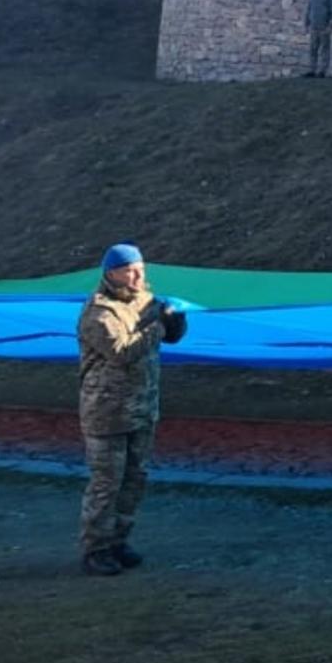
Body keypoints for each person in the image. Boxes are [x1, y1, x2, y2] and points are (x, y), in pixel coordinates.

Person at [75, 244, 187, 577]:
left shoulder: (145, 301)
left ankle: (118, 541)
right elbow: (122, 351)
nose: (138, 276)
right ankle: (95, 548)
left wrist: (175, 320)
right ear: (112, 274)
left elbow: (172, 339)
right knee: (106, 484)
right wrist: (158, 327)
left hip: (141, 407)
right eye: (130, 270)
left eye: (141, 269)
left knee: (134, 480)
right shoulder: (99, 311)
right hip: (106, 412)